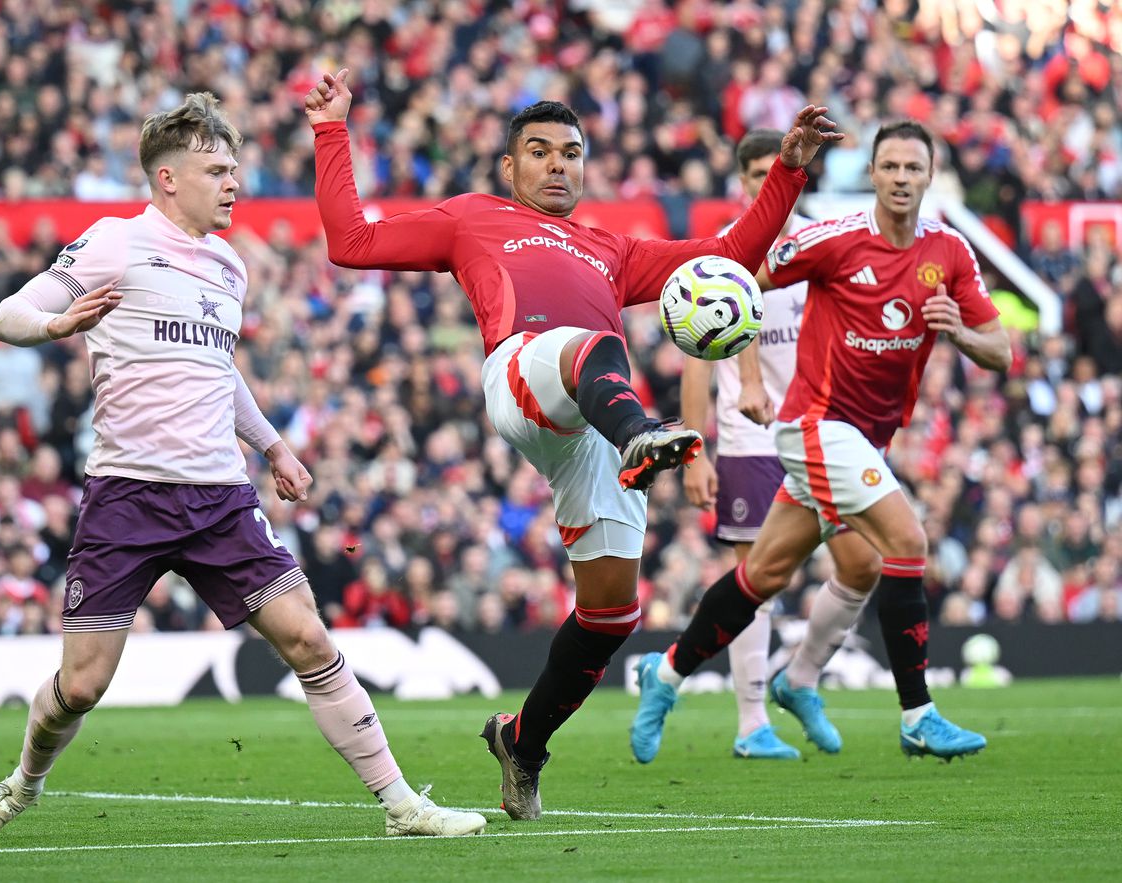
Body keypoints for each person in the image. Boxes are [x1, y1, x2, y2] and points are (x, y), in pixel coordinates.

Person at [305, 67, 842, 818]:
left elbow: (726, 255)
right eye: (540, 150)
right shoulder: (473, 217)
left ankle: (521, 742)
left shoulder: (609, 249)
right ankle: (643, 435)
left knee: (611, 613)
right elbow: (351, 241)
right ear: (510, 166)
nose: (558, 163)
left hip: (593, 416)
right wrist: (333, 129)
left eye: (571, 152)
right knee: (588, 347)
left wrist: (787, 170)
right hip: (527, 374)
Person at [0, 93, 484, 841]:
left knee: (309, 638)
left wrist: (273, 445)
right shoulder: (114, 242)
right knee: (82, 684)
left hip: (219, 497)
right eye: (217, 169)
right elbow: (7, 313)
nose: (234, 182)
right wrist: (56, 324)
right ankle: (19, 785)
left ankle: (401, 804)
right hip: (127, 496)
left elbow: (218, 370)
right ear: (168, 178)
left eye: (235, 168)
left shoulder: (229, 268)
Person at [630, 120, 1011, 762]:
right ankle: (918, 713)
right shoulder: (832, 241)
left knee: (765, 574)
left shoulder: (949, 253)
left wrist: (962, 334)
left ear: (929, 175)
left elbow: (999, 348)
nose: (899, 178)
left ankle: (667, 676)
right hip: (814, 424)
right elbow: (742, 277)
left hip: (867, 438)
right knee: (907, 542)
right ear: (872, 173)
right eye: (888, 166)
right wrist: (709, 321)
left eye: (911, 168)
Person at [632, 129, 883, 763]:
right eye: (754, 174)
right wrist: (695, 451)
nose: (763, 182)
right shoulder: (722, 259)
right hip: (750, 439)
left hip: (820, 431)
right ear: (741, 180)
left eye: (776, 171)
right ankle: (750, 724)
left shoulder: (818, 249)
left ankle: (798, 679)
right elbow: (695, 359)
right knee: (758, 580)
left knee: (861, 563)